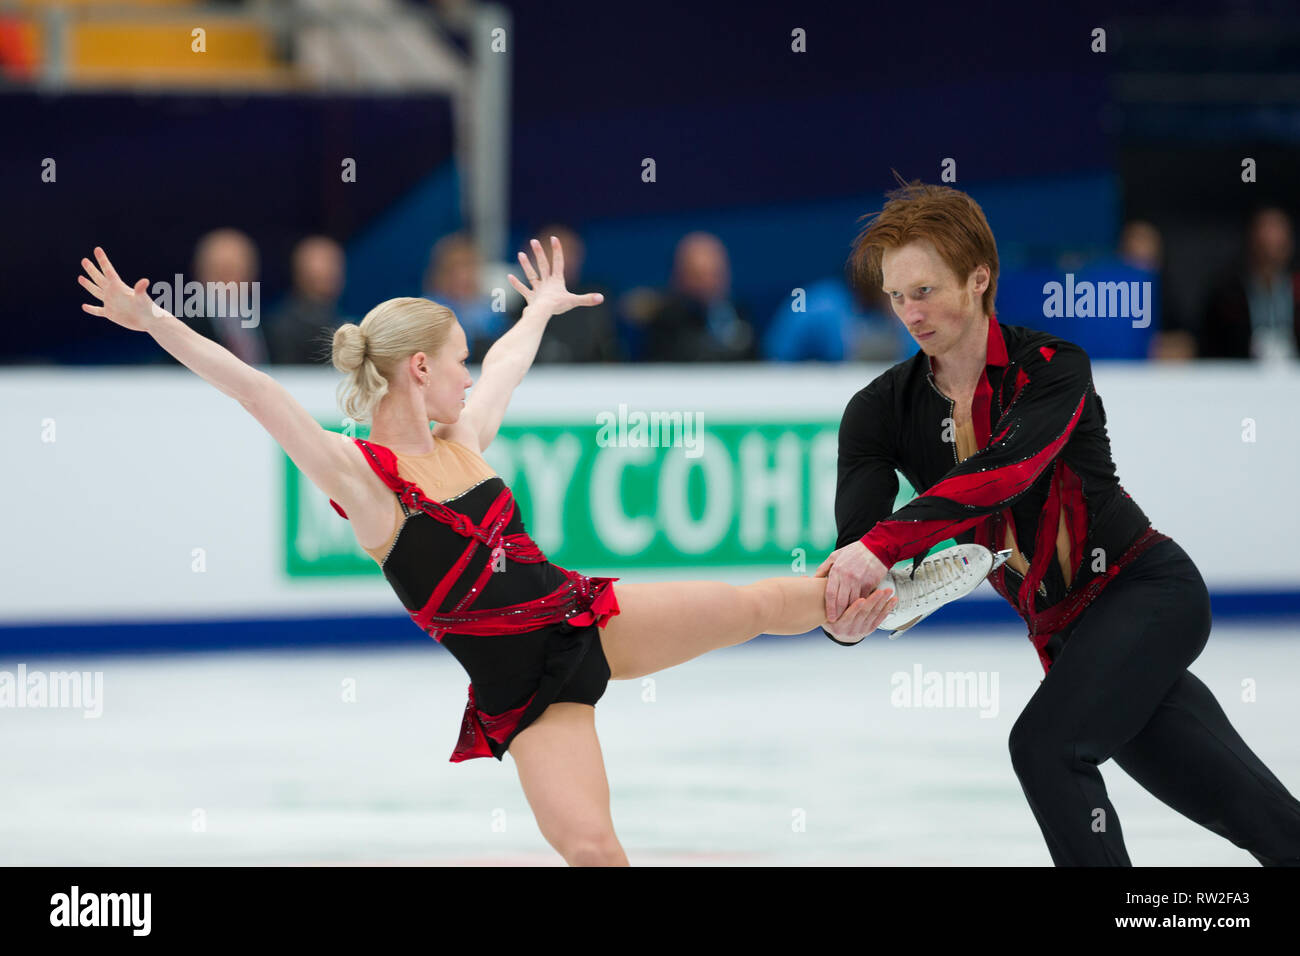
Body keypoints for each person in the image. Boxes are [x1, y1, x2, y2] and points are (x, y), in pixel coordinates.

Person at [77, 238, 917, 867]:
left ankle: (890, 586)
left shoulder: (463, 437)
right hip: (523, 694)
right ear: (416, 370)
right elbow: (255, 391)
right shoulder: (364, 479)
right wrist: (153, 318)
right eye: (457, 364)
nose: (470, 377)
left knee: (769, 604)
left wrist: (540, 310)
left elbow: (510, 365)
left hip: (589, 616)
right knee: (594, 851)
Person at [818, 178, 1300, 866]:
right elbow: (859, 551)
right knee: (1266, 821)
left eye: (923, 291)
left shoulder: (1051, 367)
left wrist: (880, 545)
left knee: (1044, 750)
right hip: (1069, 642)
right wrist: (851, 611)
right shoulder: (878, 412)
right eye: (895, 296)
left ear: (978, 277)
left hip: (1147, 594)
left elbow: (1004, 472)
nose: (908, 313)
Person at [1200, 206, 1300, 361]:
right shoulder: (1227, 295)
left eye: (1277, 237)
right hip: (1241, 377)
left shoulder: (1296, 288)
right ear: (1251, 240)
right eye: (1264, 235)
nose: (1270, 242)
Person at [643, 232, 757, 362]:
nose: (710, 282)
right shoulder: (666, 324)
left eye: (715, 274)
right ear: (680, 277)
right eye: (699, 275)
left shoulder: (740, 315)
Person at [267, 236, 353, 365]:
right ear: (300, 270)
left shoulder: (336, 319)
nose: (333, 271)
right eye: (325, 263)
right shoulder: (282, 327)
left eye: (336, 264)